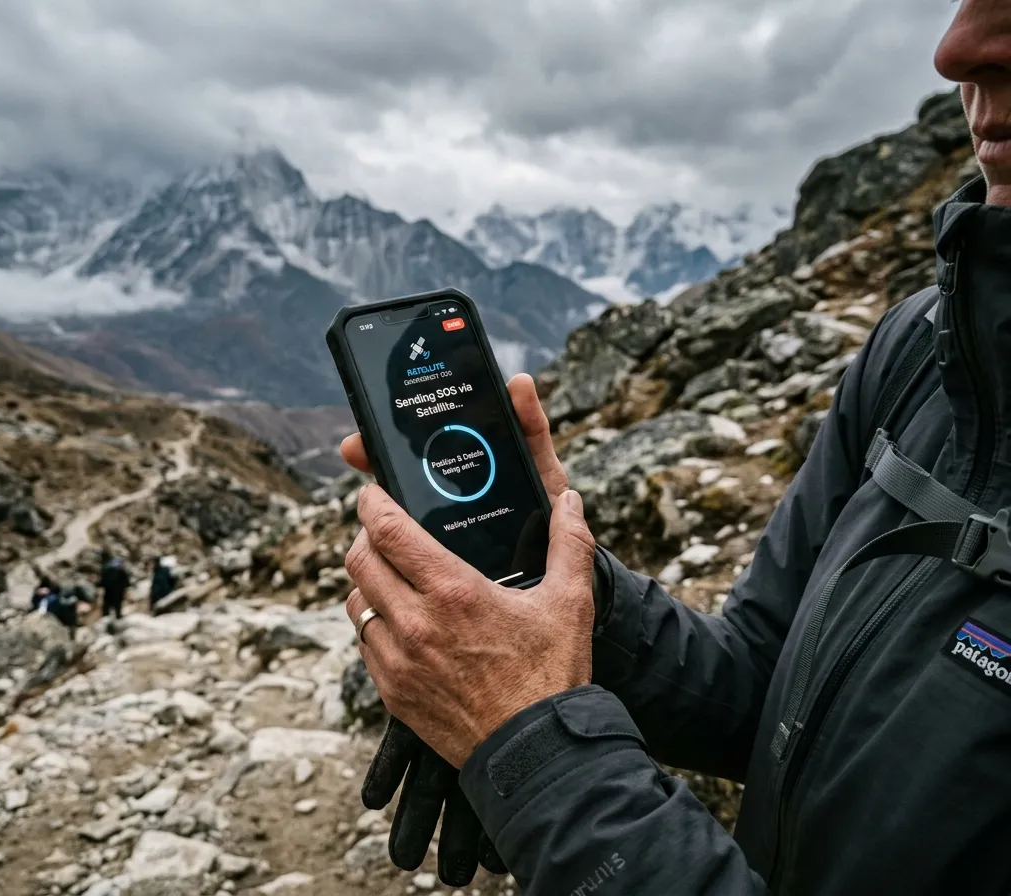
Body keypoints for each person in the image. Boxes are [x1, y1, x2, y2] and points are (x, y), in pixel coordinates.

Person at [340, 5, 1011, 893]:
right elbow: (761, 688)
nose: (956, 49)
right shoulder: (924, 350)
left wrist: (550, 765)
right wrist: (564, 608)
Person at [98, 550, 130, 619]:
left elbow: (102, 580)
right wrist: (126, 586)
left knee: (107, 605)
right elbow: (125, 577)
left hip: (108, 590)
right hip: (119, 589)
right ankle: (118, 617)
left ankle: (105, 619)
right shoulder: (119, 566)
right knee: (118, 604)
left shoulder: (106, 567)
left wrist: (100, 585)